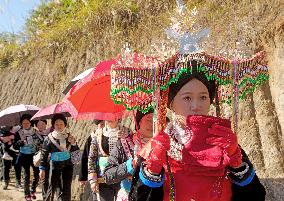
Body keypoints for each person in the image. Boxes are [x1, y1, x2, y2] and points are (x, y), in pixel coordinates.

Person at [129, 61, 266, 201]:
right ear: (171, 103)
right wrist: (152, 170)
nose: (196, 106)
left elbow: (256, 197)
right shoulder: (156, 148)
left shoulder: (225, 144)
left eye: (203, 97)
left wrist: (238, 165)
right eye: (187, 98)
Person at [104, 110, 154, 201]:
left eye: (155, 120)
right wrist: (130, 165)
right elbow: (108, 175)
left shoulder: (166, 145)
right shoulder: (124, 143)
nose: (152, 124)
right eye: (149, 120)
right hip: (129, 196)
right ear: (139, 122)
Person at [39, 114, 79, 201]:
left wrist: (73, 144)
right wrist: (42, 169)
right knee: (51, 187)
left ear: (65, 125)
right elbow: (44, 154)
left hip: (68, 166)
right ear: (53, 125)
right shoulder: (49, 138)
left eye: (61, 124)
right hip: (54, 166)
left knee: (66, 188)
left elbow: (75, 154)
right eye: (57, 124)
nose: (59, 126)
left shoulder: (69, 136)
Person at [88, 120, 130, 201]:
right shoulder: (98, 133)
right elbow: (92, 157)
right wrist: (92, 180)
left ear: (118, 117)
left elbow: (131, 153)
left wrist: (126, 139)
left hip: (122, 176)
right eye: (108, 116)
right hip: (103, 178)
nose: (110, 118)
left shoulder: (127, 132)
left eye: (113, 116)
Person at [14, 114, 42, 201]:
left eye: (27, 123)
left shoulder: (35, 131)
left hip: (34, 156)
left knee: (37, 175)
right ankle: (27, 194)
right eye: (24, 123)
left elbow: (41, 141)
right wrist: (20, 143)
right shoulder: (18, 132)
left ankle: (33, 190)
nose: (26, 124)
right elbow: (15, 146)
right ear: (21, 123)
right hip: (24, 156)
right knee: (26, 175)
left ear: (31, 123)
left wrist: (38, 143)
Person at [79, 120, 104, 201]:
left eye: (105, 123)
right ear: (97, 125)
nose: (103, 126)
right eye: (101, 124)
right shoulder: (93, 136)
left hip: (109, 171)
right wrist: (82, 177)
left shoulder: (113, 135)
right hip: (95, 171)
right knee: (96, 194)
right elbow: (85, 157)